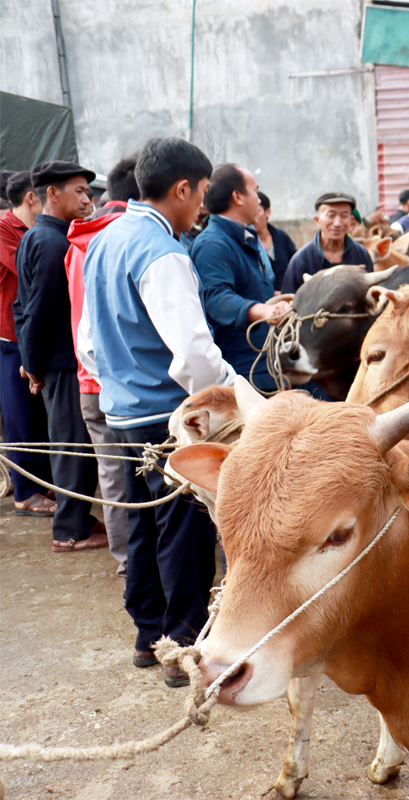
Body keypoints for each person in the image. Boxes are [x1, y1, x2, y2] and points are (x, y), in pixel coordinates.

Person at [77, 136, 235, 687]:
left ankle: (149, 637)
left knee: (141, 522)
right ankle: (184, 646)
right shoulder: (163, 252)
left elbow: (88, 341)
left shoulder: (106, 238)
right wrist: (236, 395)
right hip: (170, 419)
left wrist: (121, 381)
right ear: (182, 188)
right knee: (185, 532)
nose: (202, 208)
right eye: (202, 195)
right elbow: (193, 354)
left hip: (121, 412)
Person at [13, 160, 104, 552]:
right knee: (71, 446)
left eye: (88, 192)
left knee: (72, 443)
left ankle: (79, 518)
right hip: (64, 361)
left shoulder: (41, 236)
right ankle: (69, 530)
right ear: (53, 193)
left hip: (58, 359)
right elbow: (37, 313)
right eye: (79, 191)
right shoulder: (52, 243)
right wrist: (33, 366)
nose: (87, 199)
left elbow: (25, 310)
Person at [65, 154, 138, 575]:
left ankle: (126, 559)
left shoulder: (77, 239)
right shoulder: (126, 237)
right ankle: (141, 559)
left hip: (88, 376)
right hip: (126, 378)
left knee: (111, 472)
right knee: (147, 471)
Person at [191, 164, 291, 390]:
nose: (258, 198)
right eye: (255, 190)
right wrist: (263, 311)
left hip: (266, 365)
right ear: (237, 196)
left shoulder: (246, 238)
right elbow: (216, 297)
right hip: (239, 375)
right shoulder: (212, 244)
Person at [0, 171, 55, 517]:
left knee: (39, 417)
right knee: (20, 417)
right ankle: (24, 492)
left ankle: (43, 484)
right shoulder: (6, 231)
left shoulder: (35, 232)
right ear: (32, 198)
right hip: (10, 338)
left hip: (34, 334)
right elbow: (29, 270)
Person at [281, 192, 373, 293]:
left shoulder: (361, 254)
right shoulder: (302, 259)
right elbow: (288, 299)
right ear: (317, 221)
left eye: (344, 215)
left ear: (351, 221)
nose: (337, 223)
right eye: (331, 215)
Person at [252, 191, 297, 291]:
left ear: (268, 212)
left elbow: (296, 263)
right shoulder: (247, 241)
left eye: (257, 211)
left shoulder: (281, 236)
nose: (253, 217)